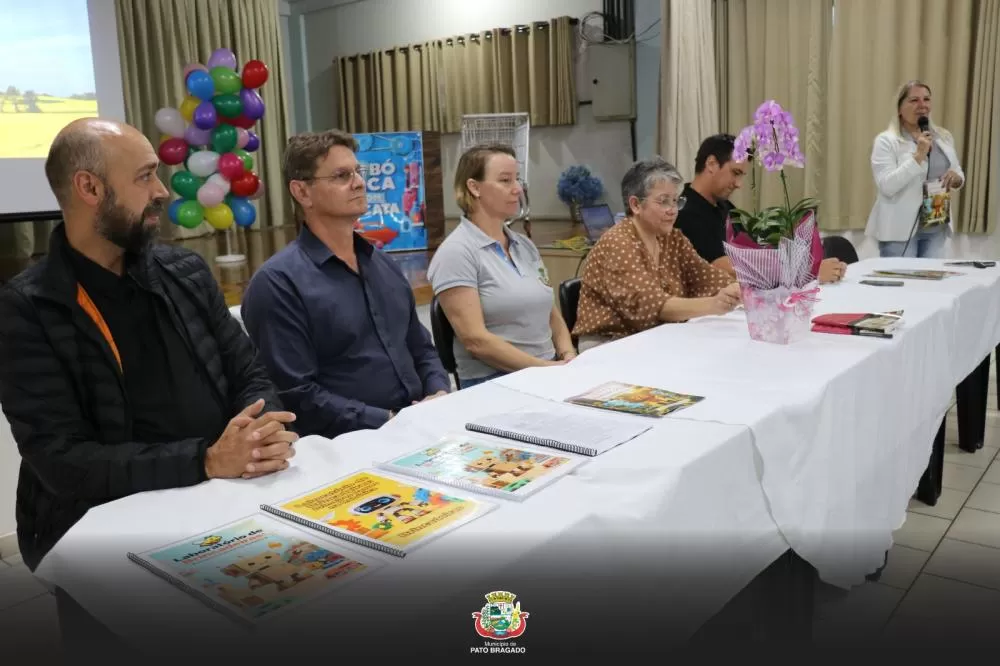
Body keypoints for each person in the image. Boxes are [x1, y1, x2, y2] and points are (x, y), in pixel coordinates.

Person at [0, 119, 296, 571]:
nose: (161, 190)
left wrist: (258, 436)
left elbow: (248, 372)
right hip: (103, 529)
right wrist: (206, 460)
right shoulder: (29, 308)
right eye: (144, 176)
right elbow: (61, 460)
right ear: (89, 188)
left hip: (225, 498)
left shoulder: (185, 272)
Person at [241, 129, 450, 438]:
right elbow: (297, 394)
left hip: (420, 427)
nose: (359, 182)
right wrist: (389, 420)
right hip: (346, 446)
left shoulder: (384, 265)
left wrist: (439, 394)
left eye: (357, 172)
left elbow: (421, 348)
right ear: (302, 192)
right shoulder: (278, 284)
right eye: (341, 175)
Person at [427, 144, 576, 387]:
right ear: (474, 187)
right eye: (505, 180)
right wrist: (545, 369)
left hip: (547, 370)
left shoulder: (524, 245)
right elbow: (476, 340)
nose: (517, 189)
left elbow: (551, 312)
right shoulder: (456, 253)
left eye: (517, 179)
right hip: (494, 382)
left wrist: (568, 356)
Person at [572, 157, 742, 351]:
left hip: (656, 336)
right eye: (663, 202)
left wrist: (738, 289)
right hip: (611, 343)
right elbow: (652, 306)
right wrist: (714, 305)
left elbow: (707, 278)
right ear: (636, 205)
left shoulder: (672, 238)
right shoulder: (619, 242)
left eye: (676, 201)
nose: (672, 211)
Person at [676, 133, 847, 283]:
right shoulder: (686, 212)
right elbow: (723, 267)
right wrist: (806, 272)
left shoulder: (724, 206)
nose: (739, 184)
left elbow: (754, 252)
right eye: (735, 173)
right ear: (711, 164)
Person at [866, 80, 964, 258]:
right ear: (899, 108)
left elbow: (957, 170)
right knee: (902, 284)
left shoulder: (943, 137)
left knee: (932, 285)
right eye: (914, 100)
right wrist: (918, 156)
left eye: (926, 99)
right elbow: (887, 185)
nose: (922, 105)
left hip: (936, 225)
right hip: (899, 231)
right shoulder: (886, 141)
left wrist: (956, 178)